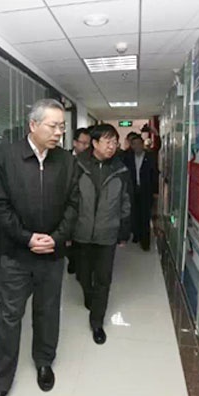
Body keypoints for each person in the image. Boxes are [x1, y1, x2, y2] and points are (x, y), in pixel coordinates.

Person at [0, 99, 79, 396]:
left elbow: (74, 205)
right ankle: (0, 382)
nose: (59, 132)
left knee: (48, 311)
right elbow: (0, 205)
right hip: (17, 254)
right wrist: (27, 239)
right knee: (10, 316)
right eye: (53, 126)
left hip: (52, 254)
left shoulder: (66, 160)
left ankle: (44, 362)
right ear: (33, 125)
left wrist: (57, 238)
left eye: (62, 126)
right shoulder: (7, 156)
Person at [73, 124, 131, 345]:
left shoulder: (120, 170)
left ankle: (97, 321)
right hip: (82, 232)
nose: (112, 146)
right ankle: (89, 295)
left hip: (107, 233)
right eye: (107, 142)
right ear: (95, 143)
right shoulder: (78, 166)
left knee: (104, 278)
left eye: (115, 142)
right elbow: (70, 199)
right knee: (83, 274)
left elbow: (125, 202)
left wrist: (123, 231)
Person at [124, 134, 159, 251]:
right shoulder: (128, 158)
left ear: (142, 144)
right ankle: (137, 234)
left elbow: (154, 174)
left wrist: (155, 190)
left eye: (139, 144)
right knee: (134, 214)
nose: (137, 146)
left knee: (145, 215)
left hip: (146, 190)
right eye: (134, 144)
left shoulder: (150, 157)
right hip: (133, 190)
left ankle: (145, 242)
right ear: (132, 146)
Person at [66, 127, 90, 275]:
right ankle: (72, 260)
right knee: (69, 238)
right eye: (83, 143)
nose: (86, 147)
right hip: (67, 204)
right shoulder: (64, 159)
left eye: (89, 144)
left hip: (84, 206)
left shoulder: (91, 161)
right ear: (75, 143)